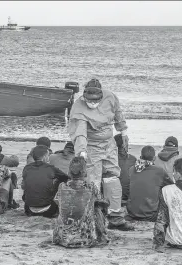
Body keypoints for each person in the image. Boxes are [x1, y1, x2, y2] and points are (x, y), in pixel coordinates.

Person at [68, 78, 134, 231]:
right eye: (89, 101)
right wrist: (82, 152)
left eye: (95, 101)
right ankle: (92, 216)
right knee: (93, 182)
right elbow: (80, 133)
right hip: (91, 146)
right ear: (84, 97)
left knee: (112, 177)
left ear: (101, 95)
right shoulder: (78, 107)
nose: (92, 103)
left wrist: (123, 132)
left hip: (109, 144)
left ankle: (115, 217)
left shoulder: (110, 97)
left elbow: (118, 113)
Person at [53, 156, 110, 248]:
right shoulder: (90, 187)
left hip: (63, 238)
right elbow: (103, 203)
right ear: (85, 172)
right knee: (98, 208)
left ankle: (61, 233)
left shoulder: (62, 186)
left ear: (69, 172)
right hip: (85, 238)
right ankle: (101, 236)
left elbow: (56, 201)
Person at [126, 146, 173, 222]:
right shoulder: (159, 171)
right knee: (163, 188)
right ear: (154, 158)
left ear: (141, 157)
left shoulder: (131, 169)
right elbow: (172, 186)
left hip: (132, 213)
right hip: (151, 215)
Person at [22, 145, 69, 218]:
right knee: (59, 181)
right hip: (49, 210)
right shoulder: (51, 168)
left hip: (29, 210)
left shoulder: (26, 168)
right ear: (44, 157)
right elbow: (67, 178)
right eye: (48, 156)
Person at [114, 133, 136, 202]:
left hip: (114, 197)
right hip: (129, 197)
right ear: (124, 145)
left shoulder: (111, 160)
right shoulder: (133, 159)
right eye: (127, 141)